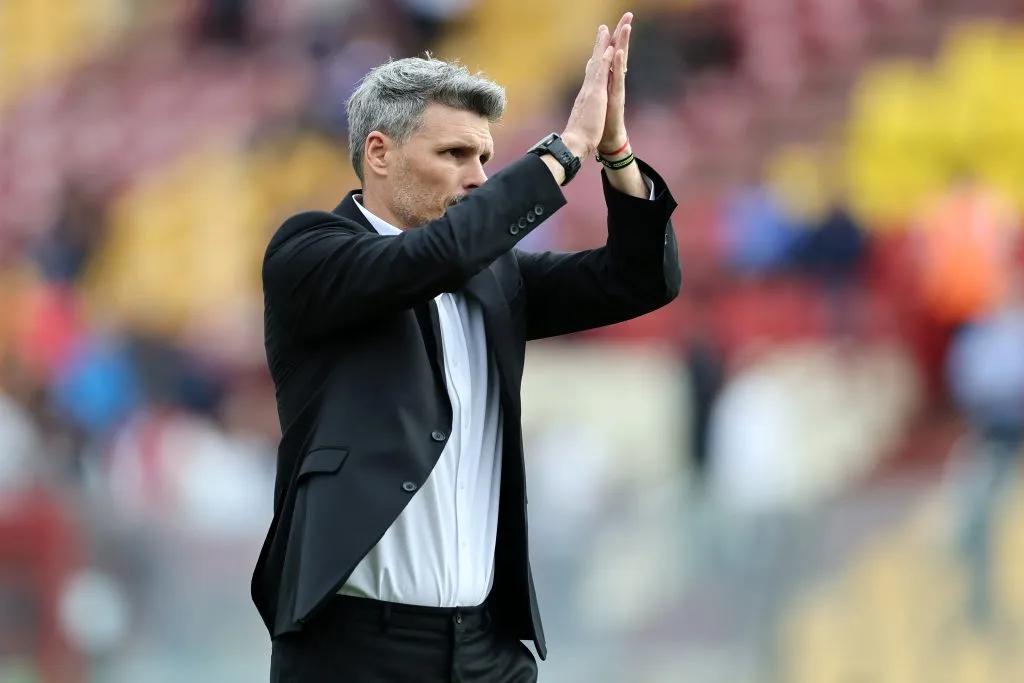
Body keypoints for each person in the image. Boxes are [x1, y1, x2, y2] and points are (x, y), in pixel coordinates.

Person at [252, 13, 681, 683]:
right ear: (380, 153)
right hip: (356, 649)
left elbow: (637, 279)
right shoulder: (308, 253)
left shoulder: (491, 274)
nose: (479, 176)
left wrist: (616, 153)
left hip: (485, 647)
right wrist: (561, 151)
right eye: (455, 155)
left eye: (484, 156)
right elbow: (433, 257)